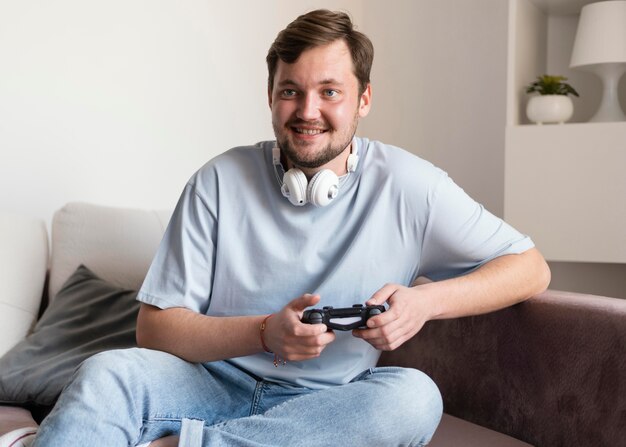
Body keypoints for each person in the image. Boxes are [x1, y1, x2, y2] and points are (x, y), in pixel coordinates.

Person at [34, 9, 550, 447]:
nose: (308, 112)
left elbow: (530, 268)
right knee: (108, 374)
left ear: (363, 99)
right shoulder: (217, 181)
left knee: (414, 397)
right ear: (270, 94)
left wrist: (424, 303)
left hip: (327, 404)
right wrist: (264, 333)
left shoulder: (414, 187)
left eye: (330, 91)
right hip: (207, 381)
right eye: (291, 91)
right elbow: (154, 329)